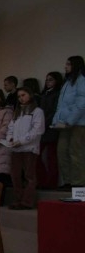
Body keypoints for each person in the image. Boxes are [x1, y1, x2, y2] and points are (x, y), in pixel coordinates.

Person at [7, 87, 45, 210]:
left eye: (23, 95)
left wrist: (22, 141)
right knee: (15, 175)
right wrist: (10, 139)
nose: (21, 98)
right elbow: (10, 128)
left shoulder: (37, 111)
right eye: (19, 96)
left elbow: (37, 130)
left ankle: (27, 201)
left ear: (30, 95)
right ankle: (18, 199)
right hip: (16, 149)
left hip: (29, 148)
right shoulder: (17, 112)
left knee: (29, 176)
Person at [52, 55, 85, 189]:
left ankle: (79, 183)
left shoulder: (82, 81)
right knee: (62, 152)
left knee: (75, 153)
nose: (65, 67)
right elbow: (60, 106)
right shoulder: (67, 83)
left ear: (76, 65)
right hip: (64, 124)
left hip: (78, 124)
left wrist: (70, 121)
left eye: (68, 64)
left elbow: (81, 105)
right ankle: (68, 181)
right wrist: (56, 121)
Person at [37, 71, 63, 188]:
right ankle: (42, 180)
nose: (48, 82)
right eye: (47, 80)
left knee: (51, 157)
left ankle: (51, 182)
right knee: (37, 156)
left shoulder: (57, 94)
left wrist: (44, 123)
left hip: (51, 128)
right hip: (42, 128)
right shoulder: (44, 94)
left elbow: (54, 111)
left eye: (51, 79)